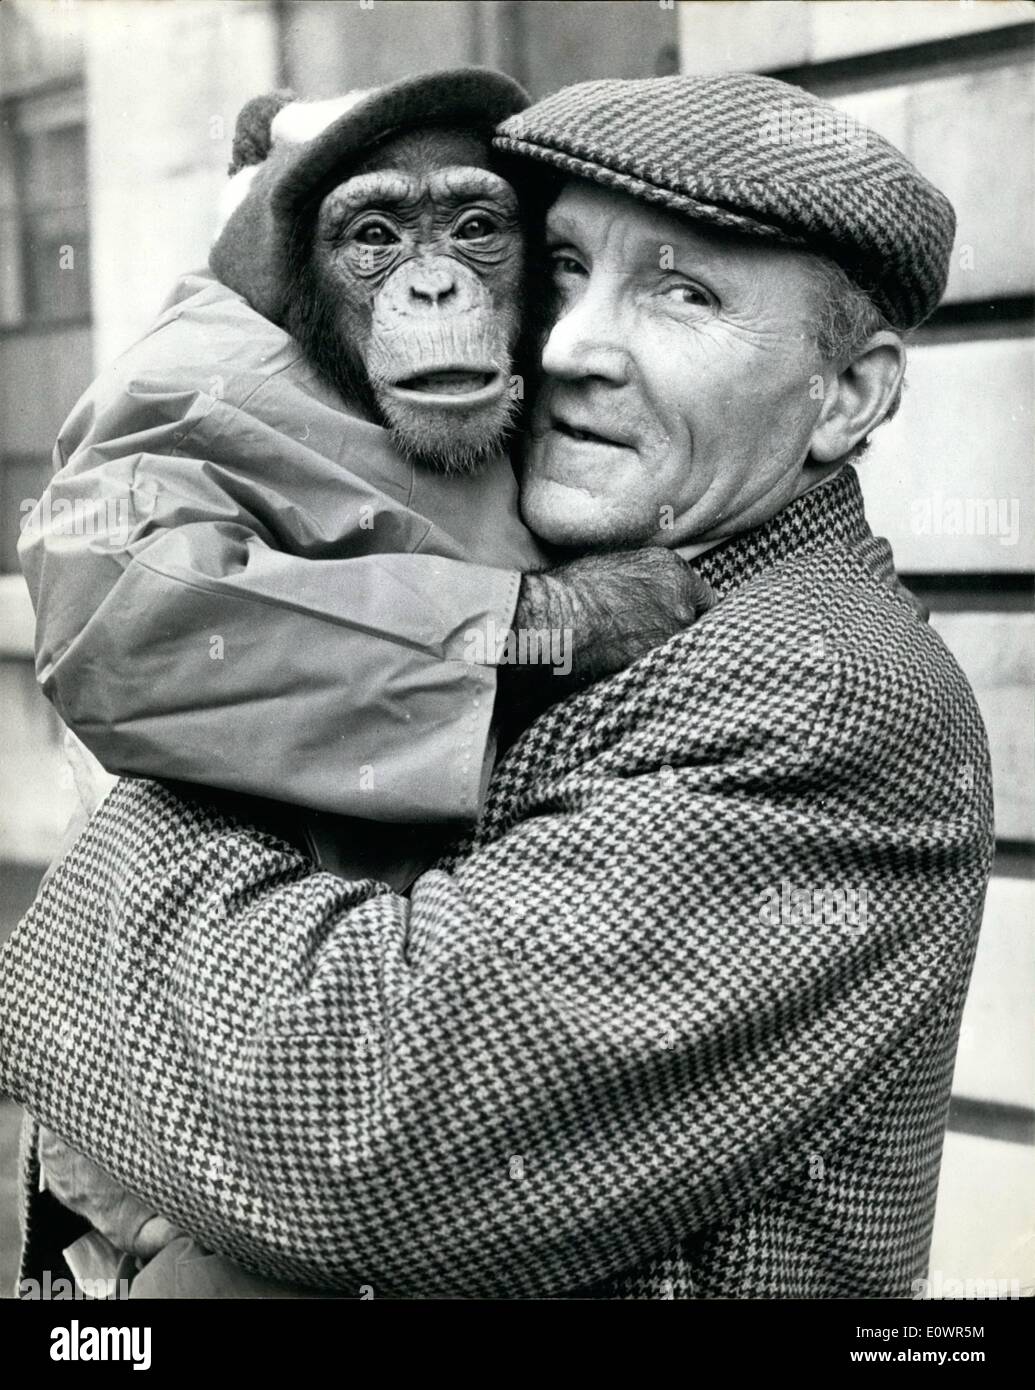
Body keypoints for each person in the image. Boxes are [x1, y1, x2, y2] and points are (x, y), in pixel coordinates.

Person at [1, 71, 993, 1300]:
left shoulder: (822, 689)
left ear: (846, 395)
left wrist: (151, 783)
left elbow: (353, 1135)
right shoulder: (499, 538)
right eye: (567, 267)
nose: (571, 347)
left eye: (683, 293)